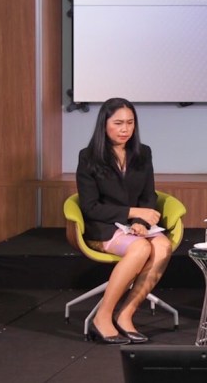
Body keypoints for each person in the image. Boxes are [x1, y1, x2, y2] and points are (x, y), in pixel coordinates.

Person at [75, 97, 172, 345]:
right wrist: (132, 213)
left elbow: (148, 196)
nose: (125, 129)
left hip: (134, 224)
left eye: (130, 123)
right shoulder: (88, 157)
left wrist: (141, 221)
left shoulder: (143, 153)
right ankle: (102, 317)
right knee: (140, 248)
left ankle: (126, 314)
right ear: (104, 124)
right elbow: (90, 207)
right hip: (104, 227)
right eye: (118, 123)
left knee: (163, 246)